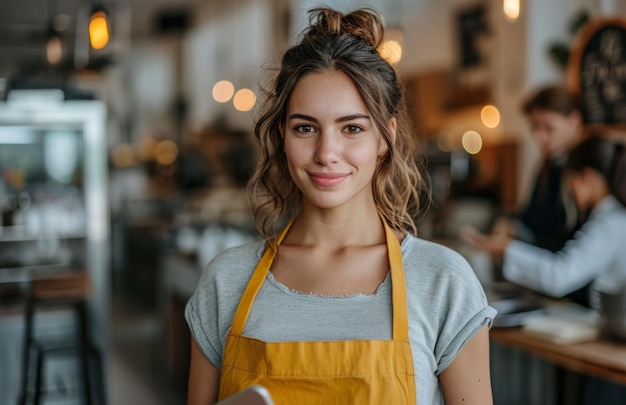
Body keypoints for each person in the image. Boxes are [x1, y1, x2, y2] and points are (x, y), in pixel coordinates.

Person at [185, 7, 496, 405]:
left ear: (385, 137)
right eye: (305, 128)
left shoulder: (442, 282)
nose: (326, 153)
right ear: (282, 136)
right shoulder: (226, 281)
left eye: (352, 128)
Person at [464, 135, 626, 299]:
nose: (570, 191)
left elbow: (559, 277)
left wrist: (506, 249)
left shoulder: (610, 224)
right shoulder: (610, 217)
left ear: (587, 176)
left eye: (570, 181)